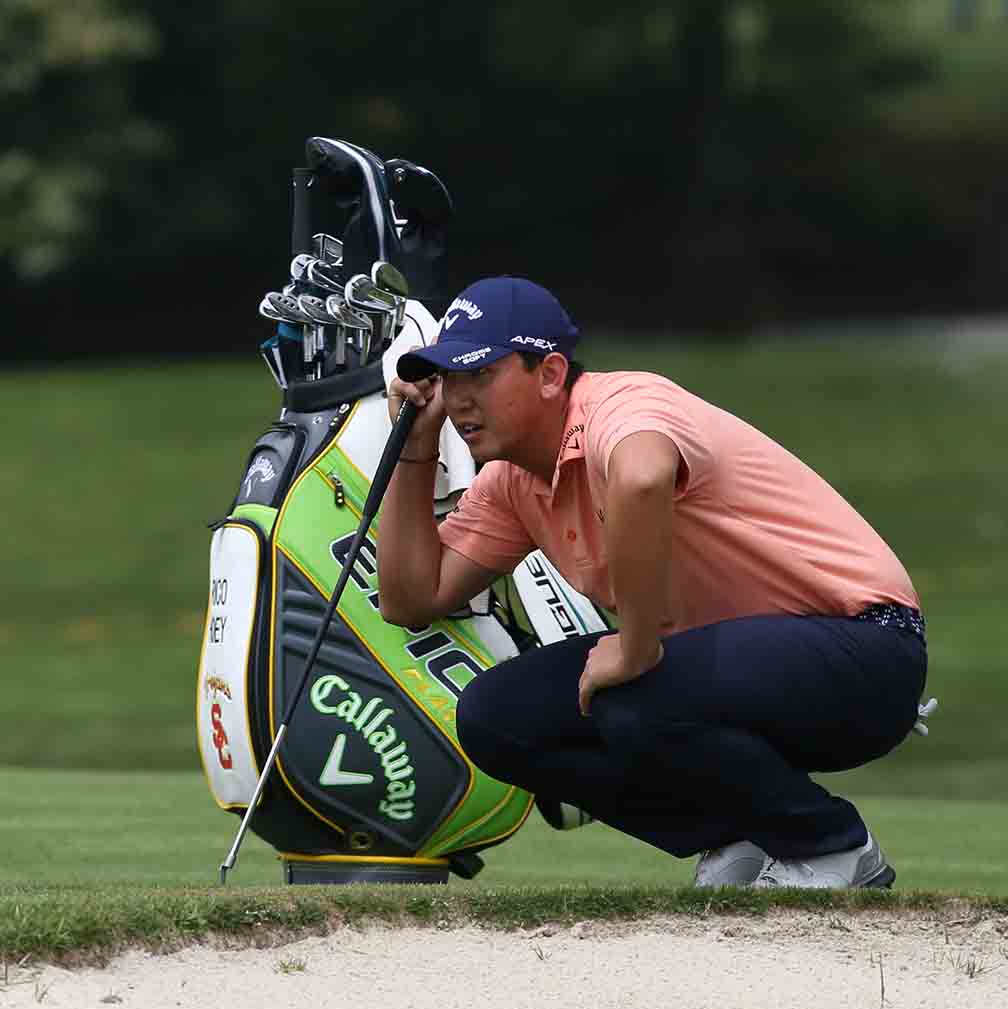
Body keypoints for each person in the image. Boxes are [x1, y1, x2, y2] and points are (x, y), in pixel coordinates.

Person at [376, 276, 927, 888]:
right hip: (732, 679)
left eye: (480, 375)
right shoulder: (511, 480)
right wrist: (413, 451)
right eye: (450, 380)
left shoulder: (625, 405)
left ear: (551, 374)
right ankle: (737, 837)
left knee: (631, 695)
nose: (459, 400)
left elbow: (641, 478)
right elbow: (410, 598)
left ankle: (833, 847)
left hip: (867, 652)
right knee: (496, 717)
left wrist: (635, 647)